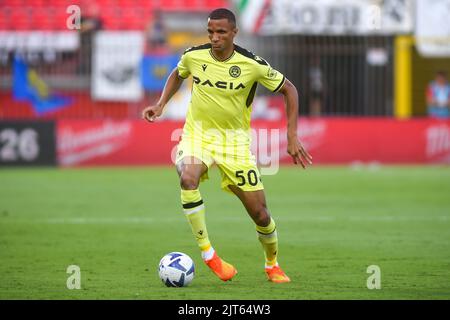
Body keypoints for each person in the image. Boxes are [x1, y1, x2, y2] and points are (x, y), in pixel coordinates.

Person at [142, 8, 312, 283]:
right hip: (197, 136)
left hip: (235, 145)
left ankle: (272, 264)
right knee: (188, 177)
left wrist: (291, 135)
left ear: (234, 32)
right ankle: (209, 255)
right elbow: (178, 72)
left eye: (221, 32)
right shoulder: (194, 56)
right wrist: (161, 104)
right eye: (211, 31)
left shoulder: (251, 64)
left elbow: (289, 89)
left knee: (260, 213)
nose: (215, 37)